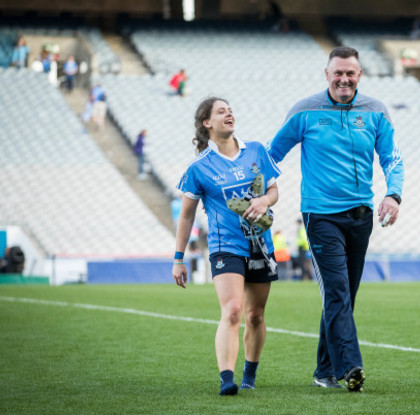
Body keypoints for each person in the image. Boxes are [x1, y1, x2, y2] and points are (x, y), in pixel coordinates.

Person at [267, 46, 404, 392]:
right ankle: (351, 367)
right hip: (321, 215)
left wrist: (393, 193)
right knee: (338, 290)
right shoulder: (304, 111)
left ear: (360, 76)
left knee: (344, 295)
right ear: (326, 74)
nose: (344, 79)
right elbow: (272, 156)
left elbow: (392, 159)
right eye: (338, 73)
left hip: (362, 215)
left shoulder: (376, 112)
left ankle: (323, 372)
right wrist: (258, 191)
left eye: (351, 73)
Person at [172, 97, 281, 396]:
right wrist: (178, 258)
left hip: (261, 245)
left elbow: (273, 189)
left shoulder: (256, 150)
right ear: (207, 123)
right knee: (232, 311)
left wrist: (264, 201)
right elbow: (186, 215)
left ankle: (250, 374)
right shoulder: (199, 168)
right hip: (225, 246)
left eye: (230, 109)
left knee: (255, 315)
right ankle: (226, 379)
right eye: (221, 111)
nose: (229, 113)